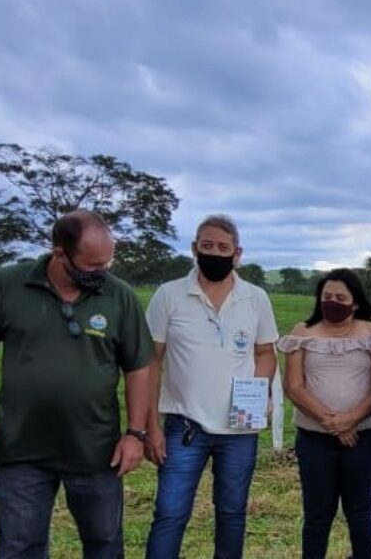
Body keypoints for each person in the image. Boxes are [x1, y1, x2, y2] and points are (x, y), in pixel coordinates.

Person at [0, 210, 152, 559]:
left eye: (107, 263)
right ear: (60, 252)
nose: (102, 273)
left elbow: (139, 367)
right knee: (20, 546)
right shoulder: (3, 286)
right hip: (21, 447)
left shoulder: (119, 296)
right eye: (93, 265)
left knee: (105, 544)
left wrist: (135, 434)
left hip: (96, 449)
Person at [144, 214, 279, 559]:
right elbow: (151, 361)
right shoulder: (168, 295)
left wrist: (259, 391)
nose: (214, 253)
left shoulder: (256, 298)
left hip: (239, 429)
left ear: (237, 253)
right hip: (183, 425)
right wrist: (150, 427)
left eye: (223, 247)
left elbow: (265, 352)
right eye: (207, 246)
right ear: (194, 249)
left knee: (232, 514)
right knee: (170, 514)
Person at [279, 268, 371, 559]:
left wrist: (351, 419)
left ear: (356, 302)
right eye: (327, 296)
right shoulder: (302, 333)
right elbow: (294, 386)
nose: (332, 302)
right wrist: (332, 422)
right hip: (314, 440)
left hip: (364, 437)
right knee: (317, 514)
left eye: (340, 297)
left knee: (360, 511)